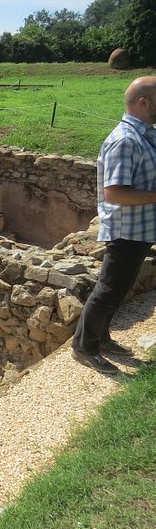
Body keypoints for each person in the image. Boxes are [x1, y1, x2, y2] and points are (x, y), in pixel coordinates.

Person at [71, 76, 156, 374]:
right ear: (144, 102)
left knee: (116, 289)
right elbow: (115, 192)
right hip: (126, 229)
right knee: (107, 290)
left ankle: (101, 338)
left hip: (140, 227)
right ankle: (83, 347)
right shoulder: (125, 140)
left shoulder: (145, 134)